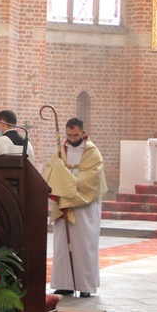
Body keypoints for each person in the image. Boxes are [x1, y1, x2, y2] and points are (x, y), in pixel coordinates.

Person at [43, 118, 107, 298]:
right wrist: (60, 175)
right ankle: (64, 284)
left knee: (84, 244)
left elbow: (93, 178)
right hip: (64, 203)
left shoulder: (92, 153)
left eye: (75, 135)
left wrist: (68, 180)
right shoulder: (60, 151)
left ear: (83, 133)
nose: (72, 138)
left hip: (84, 207)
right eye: (69, 135)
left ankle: (85, 285)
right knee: (62, 244)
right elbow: (49, 170)